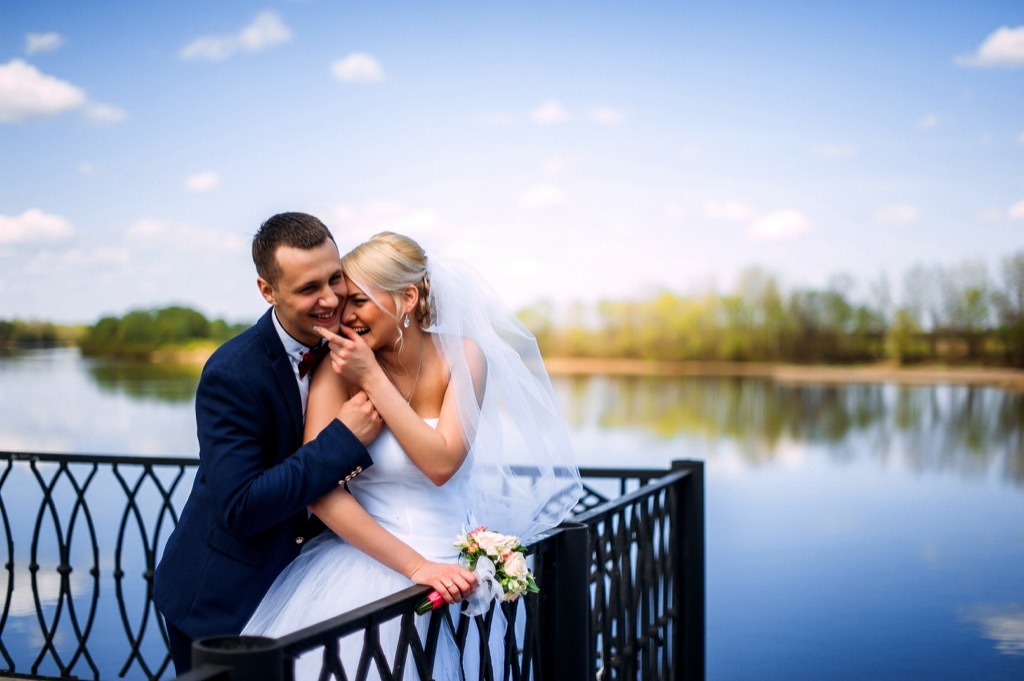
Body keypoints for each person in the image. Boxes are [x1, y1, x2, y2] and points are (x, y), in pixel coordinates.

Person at [243, 232, 583, 680]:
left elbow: (442, 464)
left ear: (406, 298)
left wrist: (375, 381)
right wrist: (415, 566)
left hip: (461, 580)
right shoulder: (336, 367)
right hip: (369, 575)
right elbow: (320, 494)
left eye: (358, 301)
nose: (344, 314)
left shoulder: (463, 354)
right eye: (343, 300)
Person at [153, 212, 382, 675]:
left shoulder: (356, 344)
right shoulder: (231, 373)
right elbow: (243, 505)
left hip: (314, 592)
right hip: (221, 600)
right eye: (307, 288)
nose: (330, 298)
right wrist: (342, 440)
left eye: (335, 278)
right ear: (267, 290)